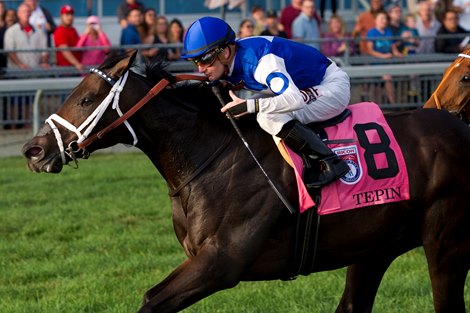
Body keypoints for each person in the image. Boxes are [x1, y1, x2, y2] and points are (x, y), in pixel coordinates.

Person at [181, 17, 351, 187]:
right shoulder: (234, 56)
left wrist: (250, 105)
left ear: (225, 53)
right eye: (194, 61)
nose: (200, 68)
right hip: (304, 85)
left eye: (204, 60)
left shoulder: (262, 63)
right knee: (255, 110)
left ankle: (330, 162)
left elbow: (294, 99)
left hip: (330, 87)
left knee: (267, 117)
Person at [366, 10, 402, 104]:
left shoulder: (388, 32)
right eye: (381, 18)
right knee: (387, 77)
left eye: (385, 18)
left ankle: (392, 103)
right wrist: (382, 56)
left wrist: (396, 53)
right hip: (376, 63)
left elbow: (393, 47)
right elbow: (369, 50)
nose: (384, 20)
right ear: (376, 20)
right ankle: (392, 103)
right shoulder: (372, 32)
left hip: (387, 63)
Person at [4, 3, 49, 70]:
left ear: (31, 14)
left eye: (28, 11)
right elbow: (10, 52)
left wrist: (43, 62)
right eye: (23, 12)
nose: (26, 14)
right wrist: (20, 65)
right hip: (16, 73)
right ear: (18, 14)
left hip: (35, 71)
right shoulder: (11, 32)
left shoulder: (39, 32)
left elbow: (44, 51)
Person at [53, 5, 82, 71]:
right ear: (61, 16)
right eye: (67, 14)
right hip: (65, 70)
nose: (70, 17)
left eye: (71, 14)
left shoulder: (73, 30)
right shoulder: (60, 31)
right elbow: (64, 50)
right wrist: (76, 63)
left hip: (75, 69)